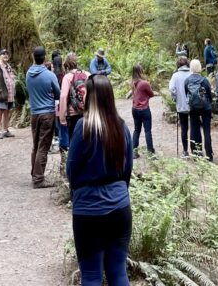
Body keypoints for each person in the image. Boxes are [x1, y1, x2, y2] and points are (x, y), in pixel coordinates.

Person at [67, 74, 133, 286]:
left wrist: (78, 195)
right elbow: (127, 170)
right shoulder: (121, 127)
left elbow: (72, 170)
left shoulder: (83, 127)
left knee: (92, 275)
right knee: (118, 272)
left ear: (91, 98)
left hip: (88, 209)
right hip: (120, 207)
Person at [26, 45, 60, 188]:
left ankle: (35, 173)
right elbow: (58, 93)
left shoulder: (28, 74)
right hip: (47, 114)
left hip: (34, 114)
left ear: (34, 57)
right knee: (43, 146)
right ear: (45, 57)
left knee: (35, 145)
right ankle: (39, 179)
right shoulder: (49, 75)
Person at [184, 59, 213, 161]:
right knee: (206, 130)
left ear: (191, 68)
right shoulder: (204, 80)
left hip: (193, 108)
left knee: (194, 129)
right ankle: (209, 154)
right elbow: (209, 93)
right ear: (200, 67)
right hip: (206, 107)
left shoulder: (187, 80)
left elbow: (186, 93)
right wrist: (210, 102)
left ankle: (196, 153)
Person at [59, 52, 89, 142]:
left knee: (74, 142)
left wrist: (62, 118)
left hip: (73, 115)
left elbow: (63, 97)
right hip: (88, 113)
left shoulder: (67, 77)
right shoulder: (88, 74)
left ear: (67, 65)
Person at [130, 64, 156, 159]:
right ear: (140, 71)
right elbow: (152, 94)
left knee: (136, 130)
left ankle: (134, 152)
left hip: (134, 109)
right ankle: (150, 153)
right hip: (144, 109)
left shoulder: (132, 82)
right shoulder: (144, 83)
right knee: (147, 131)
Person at [168, 55, 191, 157]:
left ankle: (185, 151)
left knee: (184, 128)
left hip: (181, 105)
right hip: (193, 105)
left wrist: (175, 98)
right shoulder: (191, 73)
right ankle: (196, 151)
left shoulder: (175, 76)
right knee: (194, 128)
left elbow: (172, 89)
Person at [0, 48, 16, 139]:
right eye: (3, 54)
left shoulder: (8, 67)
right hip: (1, 95)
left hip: (9, 94)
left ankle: (5, 130)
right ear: (0, 56)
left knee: (6, 112)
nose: (5, 55)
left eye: (7, 54)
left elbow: (11, 79)